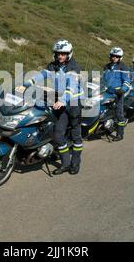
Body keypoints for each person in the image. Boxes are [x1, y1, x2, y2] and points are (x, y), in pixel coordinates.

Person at [24, 40, 84, 175]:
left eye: (63, 54)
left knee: (76, 135)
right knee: (57, 135)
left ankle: (75, 163)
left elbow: (72, 87)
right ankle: (65, 164)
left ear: (69, 54)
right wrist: (26, 84)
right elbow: (42, 75)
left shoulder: (74, 67)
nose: (60, 57)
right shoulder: (53, 65)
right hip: (60, 102)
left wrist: (63, 100)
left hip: (74, 103)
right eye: (58, 54)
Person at [102, 47, 131, 141]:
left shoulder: (123, 67)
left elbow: (127, 80)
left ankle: (120, 134)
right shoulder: (106, 66)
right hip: (106, 92)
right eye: (113, 56)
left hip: (117, 93)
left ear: (120, 57)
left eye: (117, 56)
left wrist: (122, 90)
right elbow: (102, 79)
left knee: (119, 113)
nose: (114, 58)